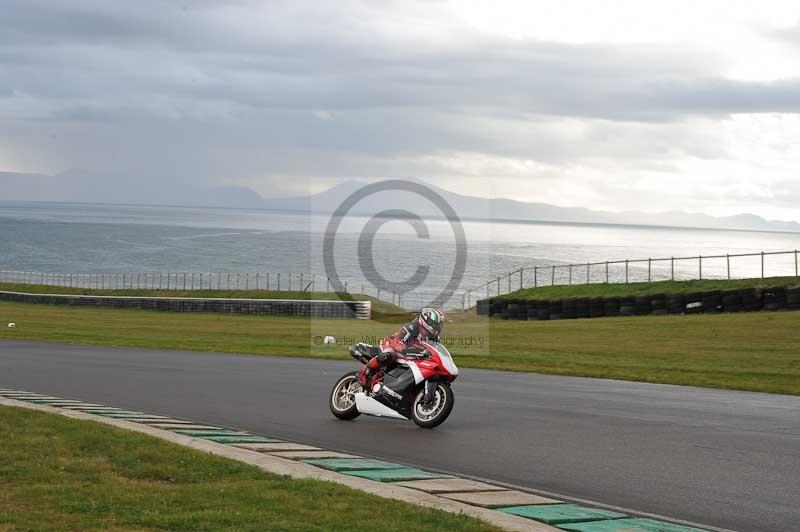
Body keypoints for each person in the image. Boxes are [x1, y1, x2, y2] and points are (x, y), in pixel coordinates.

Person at [357, 307, 445, 386]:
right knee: (390, 355)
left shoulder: (434, 337)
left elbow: (435, 351)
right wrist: (415, 350)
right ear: (427, 321)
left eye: (440, 325)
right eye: (436, 324)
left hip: (409, 352)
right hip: (391, 344)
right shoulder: (412, 327)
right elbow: (398, 344)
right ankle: (364, 373)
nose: (438, 327)